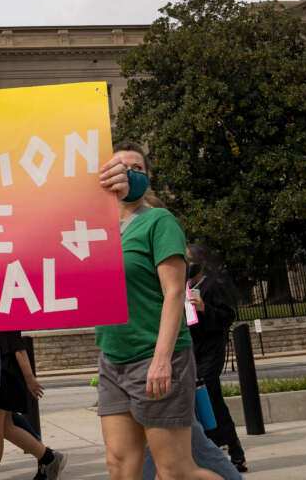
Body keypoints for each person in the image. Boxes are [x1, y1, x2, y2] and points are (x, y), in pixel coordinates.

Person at [94, 141, 221, 480]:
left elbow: (175, 291)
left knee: (175, 472)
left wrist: (162, 359)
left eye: (137, 168)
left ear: (147, 178)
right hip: (112, 358)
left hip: (156, 356)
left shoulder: (159, 222)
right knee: (120, 466)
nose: (129, 173)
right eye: (122, 167)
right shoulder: (95, 230)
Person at [186, 243, 247, 472]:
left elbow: (227, 316)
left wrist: (204, 308)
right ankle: (215, 446)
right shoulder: (184, 286)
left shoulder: (214, 285)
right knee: (202, 397)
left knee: (209, 393)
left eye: (189, 259)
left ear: (200, 262)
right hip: (192, 346)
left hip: (212, 347)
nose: (186, 264)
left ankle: (230, 447)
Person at [0, 330, 66, 479]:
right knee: (6, 427)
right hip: (1, 370)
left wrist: (29, 378)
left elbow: (16, 345)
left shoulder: (1, 312)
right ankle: (49, 458)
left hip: (2, 372)